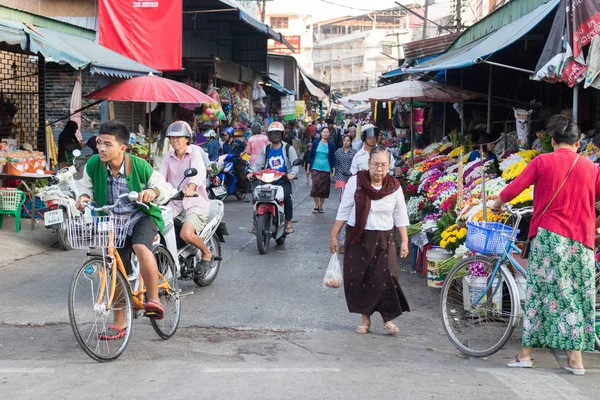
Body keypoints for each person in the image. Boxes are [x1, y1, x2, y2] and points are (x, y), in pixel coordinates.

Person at [490, 114, 600, 375]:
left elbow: (513, 189)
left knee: (540, 296)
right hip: (582, 242)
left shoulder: (542, 161)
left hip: (549, 238)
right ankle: (573, 359)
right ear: (578, 142)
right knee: (576, 295)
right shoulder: (592, 168)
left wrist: (496, 203)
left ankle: (531, 355)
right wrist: (594, 223)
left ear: (553, 141)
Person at [76, 120, 173, 338]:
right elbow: (85, 189)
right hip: (111, 220)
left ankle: (153, 298)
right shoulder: (93, 164)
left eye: (107, 144)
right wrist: (82, 198)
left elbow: (164, 186)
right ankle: (119, 323)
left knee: (140, 245)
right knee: (115, 269)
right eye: (99, 142)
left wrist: (153, 192)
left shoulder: (138, 165)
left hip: (142, 216)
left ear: (122, 148)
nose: (101, 148)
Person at [329, 145, 410, 335]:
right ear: (368, 164)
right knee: (360, 278)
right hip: (359, 237)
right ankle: (365, 320)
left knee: (387, 277)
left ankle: (387, 318)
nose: (379, 169)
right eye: (375, 164)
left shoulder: (394, 187)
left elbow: (400, 214)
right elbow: (344, 208)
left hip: (384, 237)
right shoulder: (356, 182)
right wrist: (334, 235)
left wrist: (404, 241)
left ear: (389, 165)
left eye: (383, 165)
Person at [159, 121, 213, 272]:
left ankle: (206, 252)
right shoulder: (168, 157)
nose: (175, 140)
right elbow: (160, 177)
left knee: (186, 233)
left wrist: (191, 187)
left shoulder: (195, 152)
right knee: (156, 228)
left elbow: (198, 172)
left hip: (194, 203)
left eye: (179, 137)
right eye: (172, 138)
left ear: (187, 139)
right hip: (174, 203)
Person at [249, 121, 300, 234]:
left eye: (277, 133)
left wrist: (292, 174)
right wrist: (251, 171)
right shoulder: (265, 149)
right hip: (267, 181)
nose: (275, 135)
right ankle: (256, 223)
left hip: (283, 181)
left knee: (286, 198)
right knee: (256, 196)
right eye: (272, 133)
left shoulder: (288, 148)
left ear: (281, 134)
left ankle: (289, 222)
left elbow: (294, 164)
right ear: (269, 135)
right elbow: (258, 164)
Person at [308, 127, 336, 214]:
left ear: (329, 134)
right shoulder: (316, 143)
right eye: (324, 132)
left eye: (327, 132)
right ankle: (316, 205)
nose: (325, 134)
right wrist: (308, 168)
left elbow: (332, 158)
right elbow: (311, 155)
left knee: (324, 188)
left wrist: (333, 170)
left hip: (326, 168)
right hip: (315, 167)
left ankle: (321, 206)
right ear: (321, 133)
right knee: (315, 185)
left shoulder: (331, 145)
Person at [334, 135, 357, 200]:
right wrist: (335, 173)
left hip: (350, 174)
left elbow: (356, 163)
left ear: (351, 142)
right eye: (344, 140)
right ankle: (341, 206)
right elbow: (336, 162)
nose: (346, 142)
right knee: (342, 190)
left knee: (349, 192)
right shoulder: (338, 151)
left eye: (348, 141)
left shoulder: (354, 152)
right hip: (340, 174)